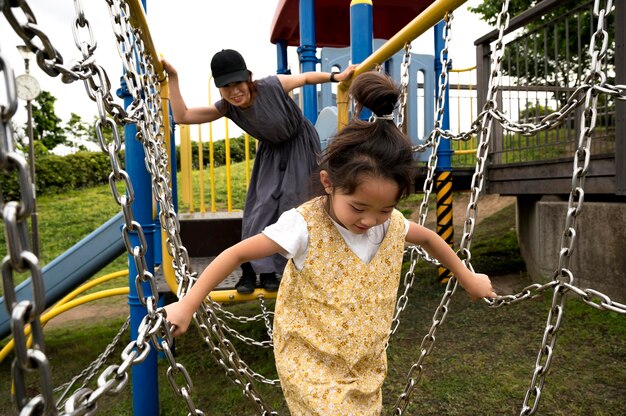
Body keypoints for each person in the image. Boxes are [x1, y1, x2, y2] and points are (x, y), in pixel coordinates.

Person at [162, 71, 497, 415]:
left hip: (365, 366)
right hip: (310, 363)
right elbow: (237, 253)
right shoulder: (304, 225)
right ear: (327, 183)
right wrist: (188, 304)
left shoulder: (388, 226)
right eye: (358, 207)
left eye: (386, 208)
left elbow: (428, 238)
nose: (369, 220)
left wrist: (466, 277)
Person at [162, 49, 356, 294]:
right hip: (271, 153)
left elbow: (305, 78)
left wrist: (336, 78)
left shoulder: (272, 86)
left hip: (300, 146)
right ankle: (251, 269)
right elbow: (183, 116)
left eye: (238, 83)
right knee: (260, 207)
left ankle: (277, 270)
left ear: (248, 78)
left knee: (297, 204)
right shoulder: (227, 108)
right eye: (226, 87)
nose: (234, 92)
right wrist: (173, 77)